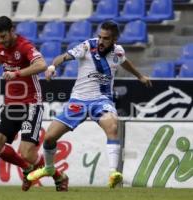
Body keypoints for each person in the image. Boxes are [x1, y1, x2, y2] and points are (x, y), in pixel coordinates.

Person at [27, 21, 152, 189]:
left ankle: (113, 173)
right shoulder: (87, 46)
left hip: (101, 100)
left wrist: (140, 76)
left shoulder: (118, 51)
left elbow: (124, 61)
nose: (100, 41)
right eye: (100, 36)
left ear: (114, 39)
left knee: (112, 126)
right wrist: (51, 67)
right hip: (78, 101)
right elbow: (63, 57)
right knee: (49, 137)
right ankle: (49, 168)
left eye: (105, 38)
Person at [0, 16, 67, 191]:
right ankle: (28, 169)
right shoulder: (2, 45)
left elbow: (42, 65)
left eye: (3, 36)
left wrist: (17, 74)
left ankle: (59, 177)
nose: (1, 41)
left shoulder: (24, 46)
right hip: (10, 104)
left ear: (12, 30)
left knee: (27, 153)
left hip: (31, 103)